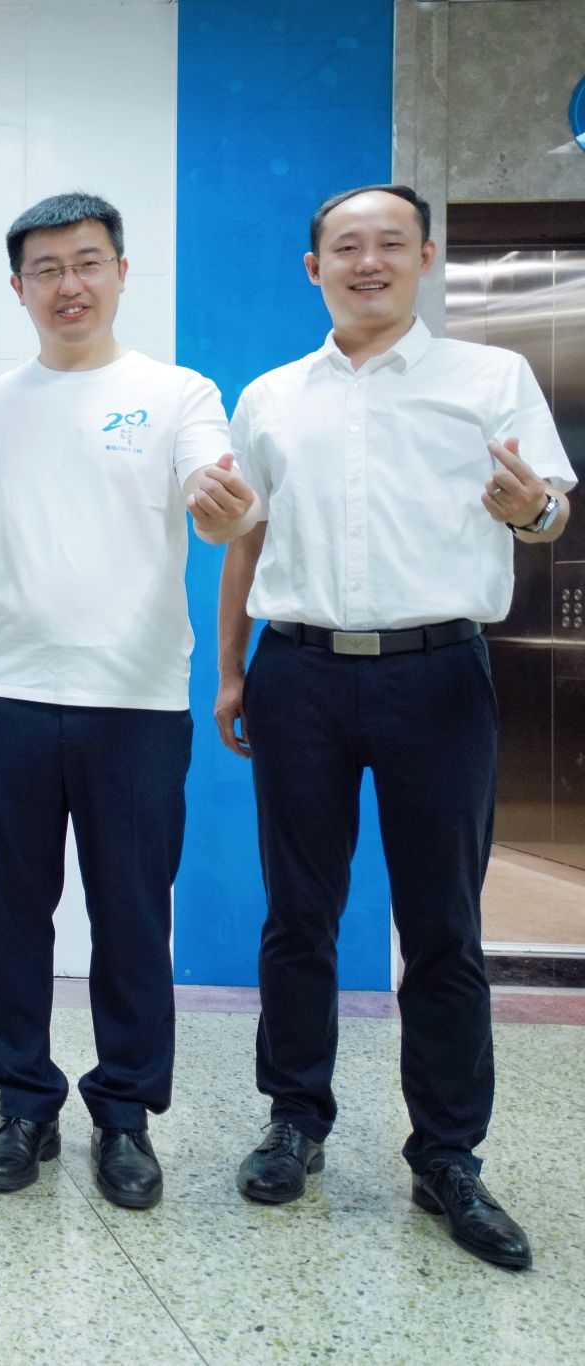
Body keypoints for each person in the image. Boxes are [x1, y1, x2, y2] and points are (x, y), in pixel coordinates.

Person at [216, 184, 573, 1270]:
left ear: (424, 256)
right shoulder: (271, 396)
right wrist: (229, 671)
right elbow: (244, 534)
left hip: (438, 674)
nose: (365, 261)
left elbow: (549, 508)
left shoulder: (490, 378)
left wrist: (530, 511)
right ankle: (295, 1119)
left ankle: (447, 1155)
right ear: (312, 267)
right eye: (343, 246)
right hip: (298, 674)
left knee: (442, 925)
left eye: (387, 243)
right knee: (298, 913)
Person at [0, 191, 239, 1209]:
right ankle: (23, 1102)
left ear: (120, 271)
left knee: (132, 918)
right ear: (18, 287)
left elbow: (210, 495)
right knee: (10, 918)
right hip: (2, 694)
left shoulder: (177, 393)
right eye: (47, 269)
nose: (70, 284)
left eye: (88, 261)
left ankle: (124, 1113)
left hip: (133, 702)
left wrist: (219, 505)